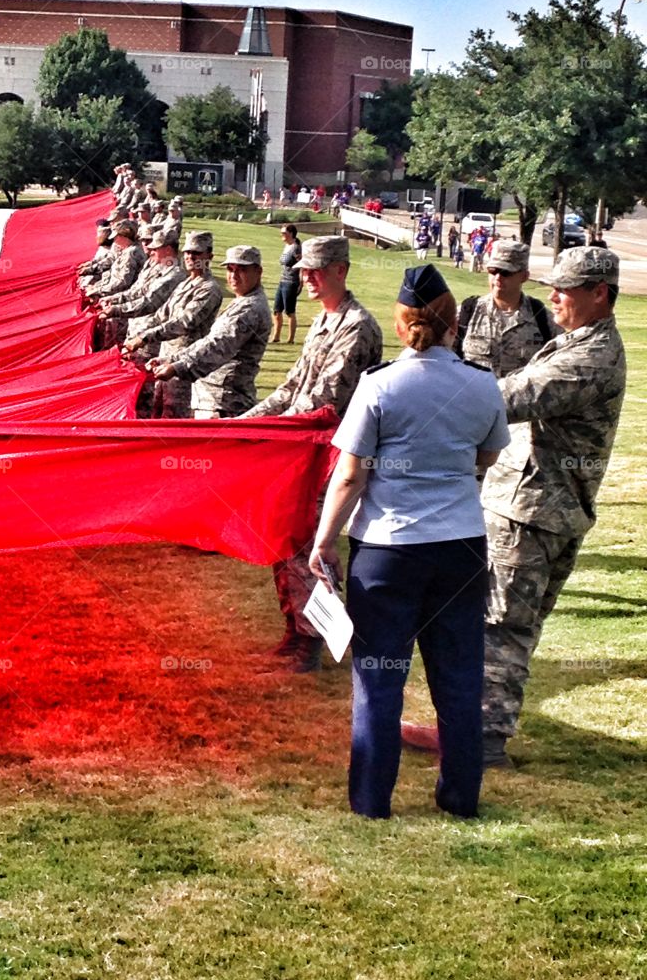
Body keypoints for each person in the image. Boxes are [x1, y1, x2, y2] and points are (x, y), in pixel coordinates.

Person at [403, 246, 626, 768]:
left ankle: (481, 743)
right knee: (495, 621)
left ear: (600, 294)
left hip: (535, 510)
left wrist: (424, 382)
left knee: (500, 627)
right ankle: (462, 728)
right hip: (529, 503)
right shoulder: (574, 340)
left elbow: (507, 396)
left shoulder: (588, 357)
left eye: (566, 289)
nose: (553, 296)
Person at [310, 265, 509, 819]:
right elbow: (486, 458)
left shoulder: (380, 385)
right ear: (453, 322)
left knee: (379, 679)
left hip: (388, 551)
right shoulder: (481, 382)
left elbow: (351, 475)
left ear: (401, 325)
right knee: (459, 677)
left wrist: (325, 541)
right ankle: (460, 796)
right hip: (460, 546)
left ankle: (372, 800)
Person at [243, 235, 384, 673]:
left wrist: (273, 429)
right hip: (302, 452)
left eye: (315, 270)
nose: (306, 277)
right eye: (303, 270)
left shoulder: (356, 326)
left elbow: (325, 400)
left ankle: (313, 641)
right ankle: (295, 629)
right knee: (288, 540)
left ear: (341, 270)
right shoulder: (324, 321)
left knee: (312, 549)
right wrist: (248, 422)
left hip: (333, 456)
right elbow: (292, 385)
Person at [147, 245, 271, 418]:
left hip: (225, 401)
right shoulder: (242, 301)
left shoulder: (250, 309)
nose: (234, 276)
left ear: (258, 271)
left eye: (242, 270)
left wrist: (177, 367)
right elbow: (209, 339)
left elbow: (218, 345)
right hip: (212, 399)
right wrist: (171, 359)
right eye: (230, 269)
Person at [124, 231, 224, 418]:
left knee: (173, 417)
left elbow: (184, 322)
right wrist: (136, 337)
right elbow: (162, 315)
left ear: (209, 256)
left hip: (183, 366)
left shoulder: (209, 289)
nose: (190, 257)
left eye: (197, 253)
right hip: (163, 361)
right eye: (187, 253)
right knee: (156, 412)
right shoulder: (185, 284)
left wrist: (145, 337)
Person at [454, 239, 559, 378]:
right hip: (475, 398)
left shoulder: (543, 319)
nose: (497, 278)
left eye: (506, 272)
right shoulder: (466, 313)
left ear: (524, 276)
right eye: (492, 271)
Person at [270, 223, 302, 344]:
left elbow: (302, 265)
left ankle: (291, 339)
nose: (282, 235)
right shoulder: (287, 246)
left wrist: (301, 282)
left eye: (284, 233)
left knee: (289, 311)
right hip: (282, 280)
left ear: (291, 234)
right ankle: (276, 336)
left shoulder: (296, 248)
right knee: (277, 310)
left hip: (291, 282)